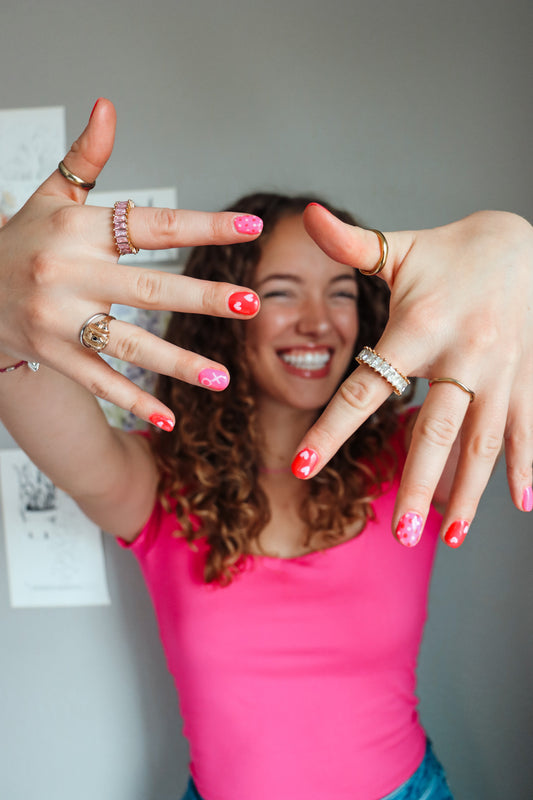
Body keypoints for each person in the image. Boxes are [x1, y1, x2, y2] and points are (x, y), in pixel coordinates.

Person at [0, 99, 531, 799]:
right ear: (224, 317)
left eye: (340, 293)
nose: (317, 321)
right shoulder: (154, 484)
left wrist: (510, 250)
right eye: (280, 292)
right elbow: (26, 385)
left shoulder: (415, 454)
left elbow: (501, 355)